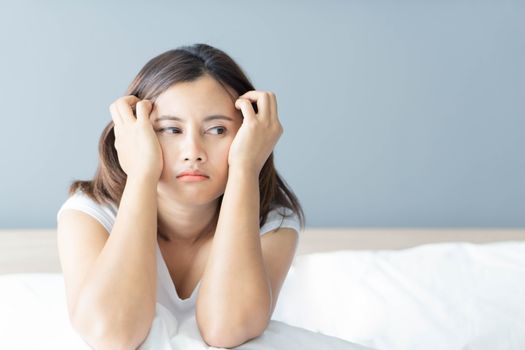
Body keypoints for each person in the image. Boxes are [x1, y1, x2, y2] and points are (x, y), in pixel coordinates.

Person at [56, 43, 305, 349]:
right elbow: (112, 333)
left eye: (217, 130)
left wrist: (246, 167)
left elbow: (227, 330)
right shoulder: (88, 214)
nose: (193, 153)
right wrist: (141, 173)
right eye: (170, 130)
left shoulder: (273, 224)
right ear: (137, 132)